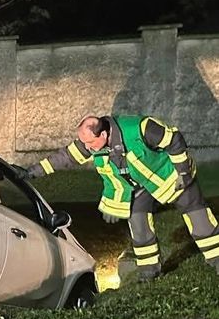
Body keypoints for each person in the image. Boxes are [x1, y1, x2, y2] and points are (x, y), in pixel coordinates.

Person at [23, 114, 219, 280]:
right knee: (139, 226)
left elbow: (174, 140)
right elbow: (64, 158)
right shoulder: (93, 143)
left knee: (199, 219)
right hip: (140, 187)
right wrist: (31, 172)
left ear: (103, 133)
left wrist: (183, 173)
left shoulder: (141, 128)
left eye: (90, 143)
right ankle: (149, 272)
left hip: (173, 178)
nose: (88, 148)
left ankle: (216, 258)